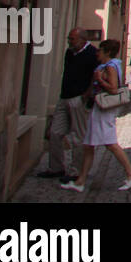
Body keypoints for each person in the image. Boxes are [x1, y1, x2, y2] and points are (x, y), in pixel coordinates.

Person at [60, 39, 131, 192]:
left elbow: (114, 89)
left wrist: (99, 80)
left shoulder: (110, 67)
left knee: (110, 144)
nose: (97, 53)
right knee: (89, 145)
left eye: (100, 51)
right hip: (99, 107)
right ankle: (80, 182)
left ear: (107, 52)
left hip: (105, 109)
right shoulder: (107, 65)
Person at [37, 29, 99, 181]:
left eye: (72, 39)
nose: (69, 42)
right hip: (64, 97)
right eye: (69, 39)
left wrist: (87, 94)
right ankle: (56, 168)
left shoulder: (92, 53)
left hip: (79, 99)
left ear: (83, 39)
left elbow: (96, 76)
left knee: (78, 137)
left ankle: (76, 172)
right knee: (55, 133)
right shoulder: (70, 52)